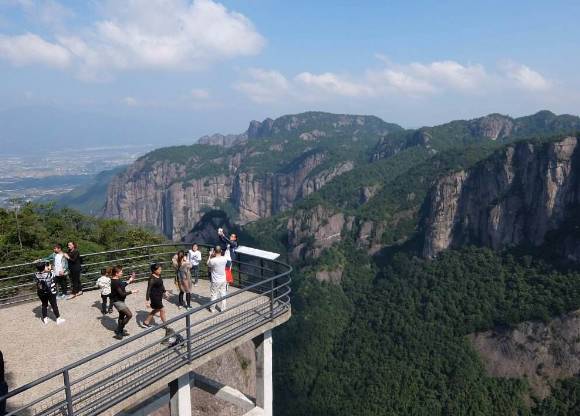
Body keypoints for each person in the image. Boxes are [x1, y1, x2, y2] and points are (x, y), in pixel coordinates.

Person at [110, 266, 138, 339]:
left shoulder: (117, 280)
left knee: (121, 316)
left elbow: (122, 285)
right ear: (116, 273)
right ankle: (119, 331)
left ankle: (120, 332)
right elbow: (122, 294)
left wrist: (130, 279)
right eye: (121, 272)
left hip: (120, 301)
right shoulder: (115, 282)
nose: (122, 273)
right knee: (129, 315)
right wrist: (132, 291)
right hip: (118, 302)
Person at [142, 263, 170, 327]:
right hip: (154, 297)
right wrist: (147, 300)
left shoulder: (159, 275)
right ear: (154, 270)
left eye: (160, 269)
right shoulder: (152, 279)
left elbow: (161, 284)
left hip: (159, 295)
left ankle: (146, 322)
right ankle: (165, 325)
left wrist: (165, 291)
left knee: (157, 309)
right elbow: (148, 290)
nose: (161, 270)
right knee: (162, 309)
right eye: (159, 269)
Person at [206, 246, 228, 313]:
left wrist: (210, 255)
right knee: (223, 293)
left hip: (215, 280)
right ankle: (223, 308)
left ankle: (212, 309)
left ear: (214, 252)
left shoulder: (213, 260)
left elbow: (208, 264)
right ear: (221, 251)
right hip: (223, 279)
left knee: (214, 294)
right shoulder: (225, 259)